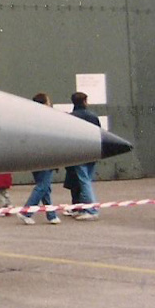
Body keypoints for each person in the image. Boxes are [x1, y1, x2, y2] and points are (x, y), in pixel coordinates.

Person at [19, 93, 62, 225]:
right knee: (42, 186)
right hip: (46, 157)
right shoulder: (48, 118)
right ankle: (26, 212)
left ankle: (51, 215)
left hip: (33, 156)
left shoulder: (30, 119)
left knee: (45, 188)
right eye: (48, 101)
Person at [62, 92, 101, 220]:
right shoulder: (93, 117)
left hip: (78, 155)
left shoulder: (70, 117)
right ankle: (84, 208)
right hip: (92, 153)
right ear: (84, 101)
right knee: (86, 181)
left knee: (84, 182)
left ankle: (91, 210)